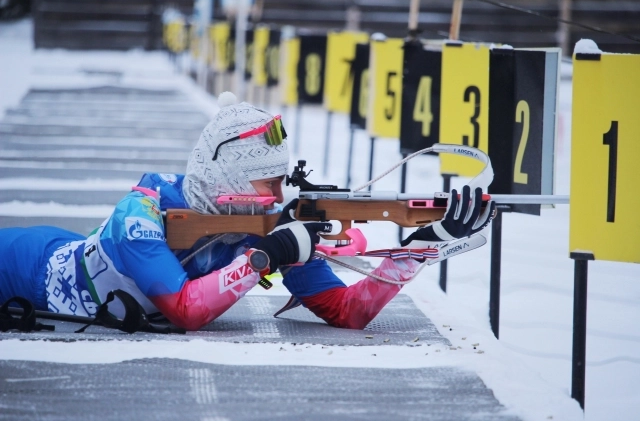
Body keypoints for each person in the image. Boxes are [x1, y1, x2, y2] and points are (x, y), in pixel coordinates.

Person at [0, 92, 494, 331]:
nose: (279, 195)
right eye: (269, 181)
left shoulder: (263, 225)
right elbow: (187, 312)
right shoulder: (142, 215)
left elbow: (350, 313)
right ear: (229, 174)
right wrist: (268, 256)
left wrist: (422, 245)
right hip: (21, 265)